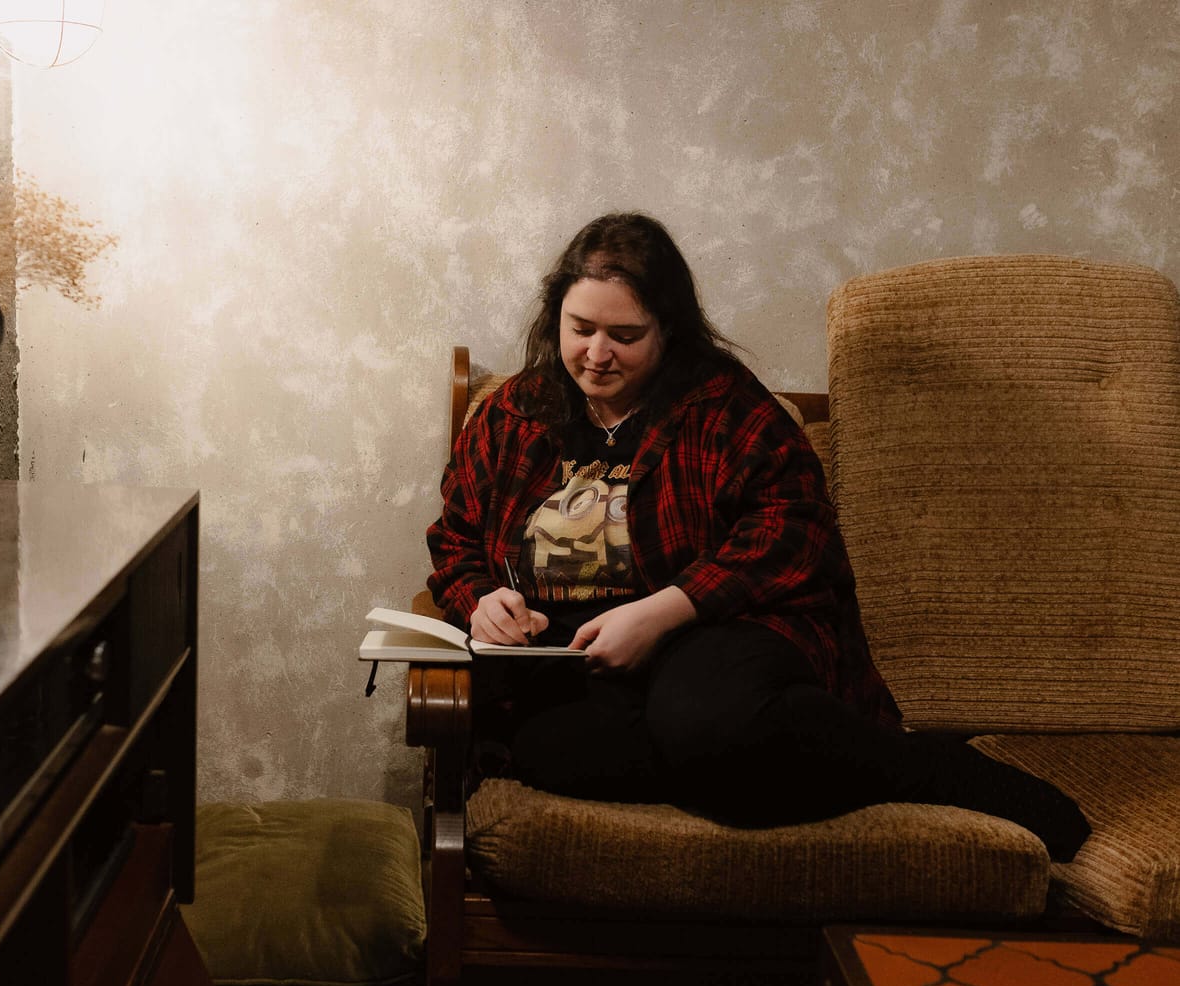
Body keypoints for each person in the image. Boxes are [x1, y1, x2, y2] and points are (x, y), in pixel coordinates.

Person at [426, 212, 1090, 861]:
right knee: (559, 754)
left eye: (625, 335)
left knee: (704, 723)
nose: (597, 354)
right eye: (582, 329)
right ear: (556, 319)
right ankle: (747, 759)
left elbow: (794, 528)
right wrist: (482, 599)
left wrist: (663, 610)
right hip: (580, 660)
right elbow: (455, 538)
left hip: (717, 630)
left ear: (668, 333)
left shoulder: (723, 405)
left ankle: (932, 769)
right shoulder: (513, 412)